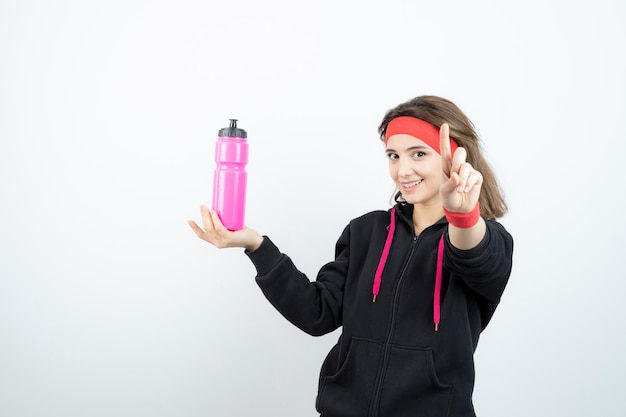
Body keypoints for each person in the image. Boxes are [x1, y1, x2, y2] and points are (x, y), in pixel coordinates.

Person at [188, 95, 514, 417]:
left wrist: (463, 215)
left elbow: (472, 253)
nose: (403, 169)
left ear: (454, 158)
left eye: (418, 153)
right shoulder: (365, 232)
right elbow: (317, 313)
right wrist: (257, 246)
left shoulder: (489, 240)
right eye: (393, 155)